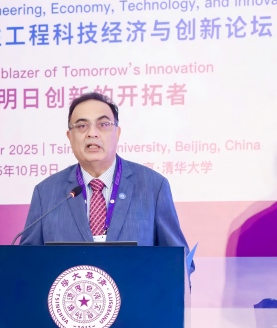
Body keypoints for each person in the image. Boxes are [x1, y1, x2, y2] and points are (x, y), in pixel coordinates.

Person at [20, 92, 193, 272]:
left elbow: (179, 261)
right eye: (82, 126)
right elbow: (25, 263)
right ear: (69, 136)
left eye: (103, 124)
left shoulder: (153, 186)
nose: (92, 133)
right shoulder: (46, 193)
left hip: (134, 290)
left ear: (117, 133)